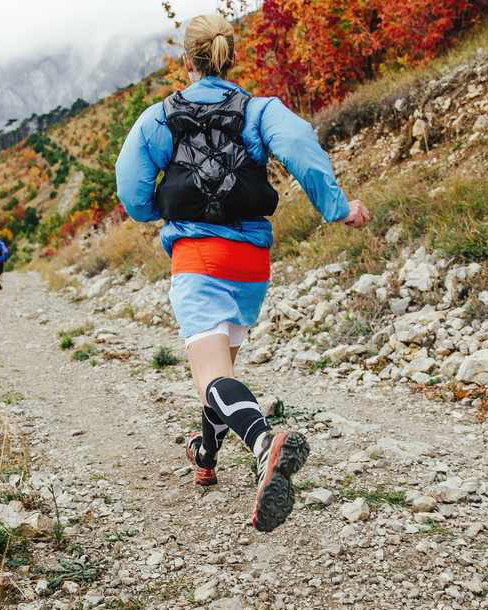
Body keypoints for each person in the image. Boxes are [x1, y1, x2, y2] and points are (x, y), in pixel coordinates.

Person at [116, 14, 370, 533]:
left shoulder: (158, 119)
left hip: (198, 260)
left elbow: (131, 189)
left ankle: (263, 443)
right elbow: (301, 146)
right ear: (230, 56)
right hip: (251, 266)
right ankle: (205, 454)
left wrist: (149, 212)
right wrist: (339, 207)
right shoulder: (259, 110)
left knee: (211, 378)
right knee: (220, 378)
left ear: (187, 63)